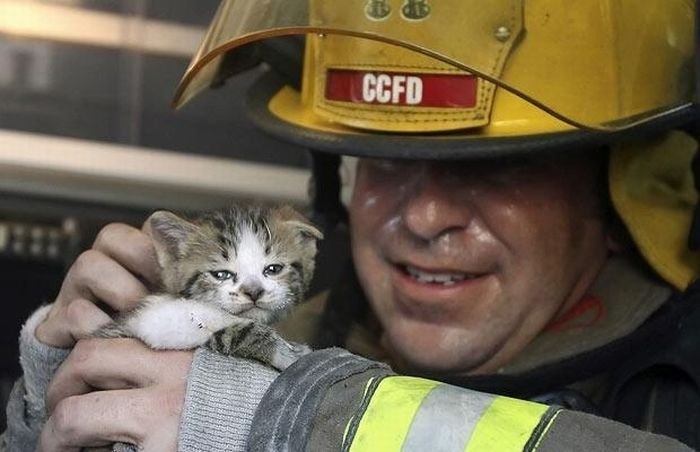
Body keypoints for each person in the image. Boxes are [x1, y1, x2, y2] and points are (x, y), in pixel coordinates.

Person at [3, 0, 700, 450]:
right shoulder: (252, 350)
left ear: (623, 192)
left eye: (497, 170)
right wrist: (61, 412)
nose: (424, 217)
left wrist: (294, 422)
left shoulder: (679, 397)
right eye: (384, 163)